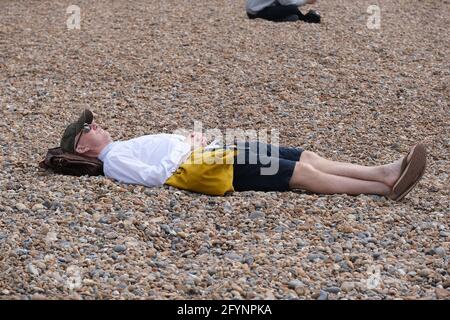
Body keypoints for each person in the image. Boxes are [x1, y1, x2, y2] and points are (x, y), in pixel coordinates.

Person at [59, 109, 427, 201]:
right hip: (208, 164)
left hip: (213, 150)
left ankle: (383, 170)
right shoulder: (113, 160)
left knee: (304, 156)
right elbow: (155, 176)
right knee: (297, 174)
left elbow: (158, 153)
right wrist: (191, 147)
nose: (96, 126)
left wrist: (185, 138)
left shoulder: (117, 148)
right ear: (82, 147)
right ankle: (383, 188)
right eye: (88, 129)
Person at [246, 0, 321, 23]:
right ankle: (304, 19)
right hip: (257, 13)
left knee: (291, 10)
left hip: (253, 10)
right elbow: (287, 3)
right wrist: (306, 1)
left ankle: (289, 17)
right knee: (292, 9)